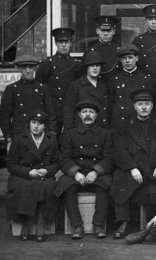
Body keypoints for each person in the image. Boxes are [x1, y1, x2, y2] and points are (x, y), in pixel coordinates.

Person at [111, 89, 156, 239]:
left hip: (154, 168)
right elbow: (120, 150)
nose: (144, 107)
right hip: (134, 167)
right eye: (140, 104)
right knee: (119, 176)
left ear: (152, 106)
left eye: (147, 104)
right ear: (135, 106)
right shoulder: (124, 126)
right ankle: (124, 222)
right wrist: (132, 168)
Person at [53, 100, 114, 239]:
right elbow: (64, 158)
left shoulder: (106, 134)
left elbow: (109, 158)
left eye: (91, 112)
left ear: (96, 115)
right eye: (84, 112)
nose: (88, 115)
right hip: (77, 173)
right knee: (65, 184)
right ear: (79, 115)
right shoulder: (70, 134)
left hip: (96, 173)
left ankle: (98, 225)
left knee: (106, 183)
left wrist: (96, 171)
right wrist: (75, 172)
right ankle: (77, 226)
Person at [5, 111, 59, 242]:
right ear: (29, 123)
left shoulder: (51, 140)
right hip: (23, 174)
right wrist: (28, 172)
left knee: (47, 187)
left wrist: (46, 171)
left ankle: (40, 221)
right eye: (33, 123)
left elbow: (57, 163)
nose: (36, 126)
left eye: (40, 124)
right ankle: (26, 221)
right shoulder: (19, 139)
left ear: (45, 126)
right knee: (23, 187)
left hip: (43, 175)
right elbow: (11, 165)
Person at [0, 55, 56, 151]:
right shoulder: (12, 89)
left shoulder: (43, 89)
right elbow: (4, 117)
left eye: (31, 67)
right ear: (18, 69)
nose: (28, 70)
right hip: (19, 137)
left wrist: (51, 137)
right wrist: (9, 140)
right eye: (24, 67)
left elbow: (51, 114)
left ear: (35, 68)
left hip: (40, 137)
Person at [35, 27, 80, 134]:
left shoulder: (76, 65)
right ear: (55, 43)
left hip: (71, 112)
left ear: (71, 43)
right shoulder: (47, 64)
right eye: (61, 42)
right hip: (53, 113)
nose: (64, 45)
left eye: (67, 42)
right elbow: (39, 91)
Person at [108, 44, 156, 129]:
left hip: (139, 126)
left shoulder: (146, 80)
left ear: (136, 58)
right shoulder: (114, 80)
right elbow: (110, 106)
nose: (127, 61)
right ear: (120, 60)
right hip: (119, 125)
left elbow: (152, 106)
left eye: (130, 57)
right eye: (124, 58)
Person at [63, 52, 109, 129]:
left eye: (97, 65)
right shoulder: (76, 85)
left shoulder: (104, 86)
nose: (95, 68)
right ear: (86, 67)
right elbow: (69, 111)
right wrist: (69, 132)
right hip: (81, 130)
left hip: (101, 131)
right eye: (92, 65)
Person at [84, 16, 121, 81]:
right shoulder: (90, 51)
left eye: (109, 30)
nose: (105, 34)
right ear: (97, 31)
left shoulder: (119, 51)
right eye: (102, 30)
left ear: (113, 31)